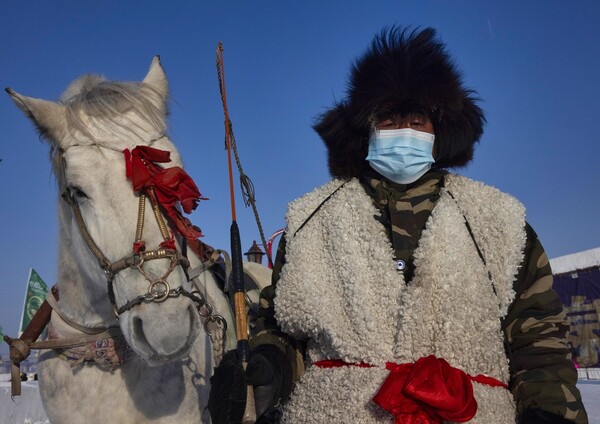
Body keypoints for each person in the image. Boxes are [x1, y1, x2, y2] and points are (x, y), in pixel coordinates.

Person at [209, 26, 588, 423]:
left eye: (418, 119)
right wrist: (268, 366)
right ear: (366, 129)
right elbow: (281, 327)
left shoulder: (498, 220)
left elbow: (539, 340)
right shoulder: (311, 222)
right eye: (389, 117)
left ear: (440, 130)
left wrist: (551, 412)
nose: (405, 130)